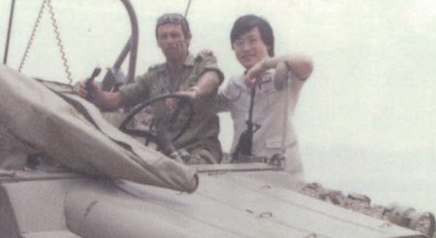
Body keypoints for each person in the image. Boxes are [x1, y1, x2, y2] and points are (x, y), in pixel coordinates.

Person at [77, 13, 224, 164]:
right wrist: (93, 91)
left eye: (175, 35)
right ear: (158, 42)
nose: (169, 41)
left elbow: (212, 77)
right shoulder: (153, 76)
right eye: (164, 37)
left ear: (187, 39)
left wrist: (193, 92)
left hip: (200, 151)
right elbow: (115, 100)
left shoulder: (203, 63)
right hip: (166, 152)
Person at [219, 14, 313, 175]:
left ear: (267, 43)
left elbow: (306, 62)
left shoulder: (283, 73)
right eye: (239, 43)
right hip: (240, 166)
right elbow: (207, 104)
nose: (246, 48)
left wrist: (263, 66)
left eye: (252, 40)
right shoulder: (235, 83)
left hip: (279, 167)